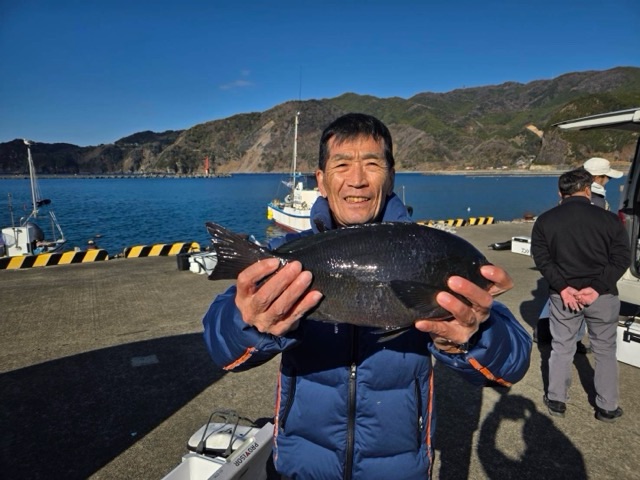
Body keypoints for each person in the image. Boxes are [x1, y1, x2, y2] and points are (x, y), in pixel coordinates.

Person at [202, 113, 532, 479]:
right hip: (302, 466)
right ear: (321, 181)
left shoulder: (426, 249)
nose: (357, 180)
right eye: (342, 165)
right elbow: (221, 347)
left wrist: (474, 335)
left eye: (372, 164)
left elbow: (514, 362)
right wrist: (247, 320)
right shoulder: (287, 254)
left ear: (391, 177)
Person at [531, 168, 630, 423]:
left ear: (560, 193)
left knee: (561, 347)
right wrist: (596, 287)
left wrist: (563, 288)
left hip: (563, 296)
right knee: (605, 350)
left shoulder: (545, 221)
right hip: (602, 296)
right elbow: (622, 258)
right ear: (588, 190)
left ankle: (557, 400)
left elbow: (542, 259)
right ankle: (607, 407)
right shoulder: (609, 220)